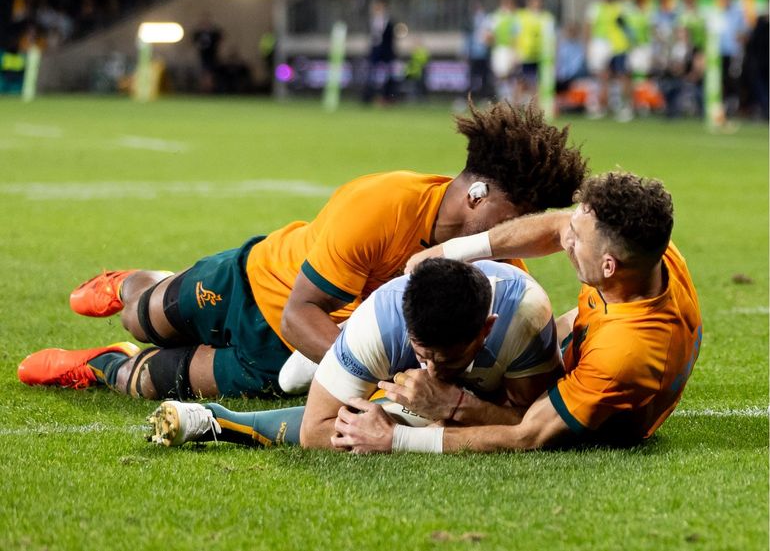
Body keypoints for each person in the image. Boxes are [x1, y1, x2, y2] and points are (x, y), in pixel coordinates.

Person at [17, 101, 588, 403]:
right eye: (516, 216)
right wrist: (373, 376)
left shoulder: (491, 273)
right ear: (480, 193)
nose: (515, 234)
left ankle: (96, 365)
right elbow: (300, 311)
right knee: (145, 318)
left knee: (149, 380)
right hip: (257, 282)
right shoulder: (382, 205)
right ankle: (126, 285)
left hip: (287, 355)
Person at [332, 172, 702, 453]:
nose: (565, 238)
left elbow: (527, 435)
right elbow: (557, 227)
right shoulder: (648, 253)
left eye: (576, 239)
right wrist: (453, 252)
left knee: (495, 407)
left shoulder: (622, 355)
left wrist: (399, 439)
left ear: (608, 266)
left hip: (601, 421)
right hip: (593, 342)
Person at [146, 258, 563, 450]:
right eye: (424, 353)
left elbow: (530, 427)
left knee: (405, 413)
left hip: (483, 385)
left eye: (448, 358)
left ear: (486, 328)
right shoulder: (382, 321)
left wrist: (452, 405)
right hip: (373, 346)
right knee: (293, 381)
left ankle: (222, 421)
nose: (432, 368)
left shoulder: (523, 318)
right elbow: (315, 431)